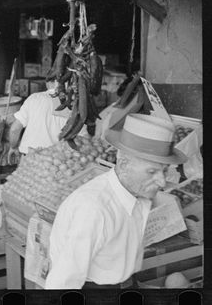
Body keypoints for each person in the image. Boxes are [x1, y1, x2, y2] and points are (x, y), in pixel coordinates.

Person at [45, 114, 187, 289]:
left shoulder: (137, 194)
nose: (162, 182)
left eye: (164, 171)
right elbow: (62, 281)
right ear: (124, 165)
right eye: (151, 172)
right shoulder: (94, 210)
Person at [8, 77, 74, 162]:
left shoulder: (34, 98)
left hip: (30, 156)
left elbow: (15, 129)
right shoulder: (72, 104)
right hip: (58, 160)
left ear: (48, 83)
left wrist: (13, 147)